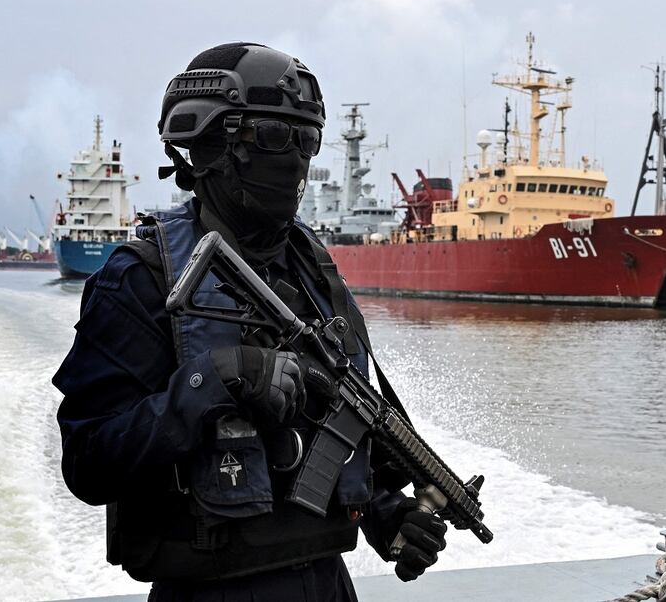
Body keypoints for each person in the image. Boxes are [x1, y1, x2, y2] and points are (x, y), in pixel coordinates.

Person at [53, 42, 448, 601]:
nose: (294, 160)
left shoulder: (314, 270)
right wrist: (213, 382)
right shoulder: (144, 278)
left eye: (305, 140)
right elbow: (88, 462)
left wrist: (384, 513)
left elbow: (338, 426)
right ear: (212, 144)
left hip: (329, 585)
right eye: (272, 137)